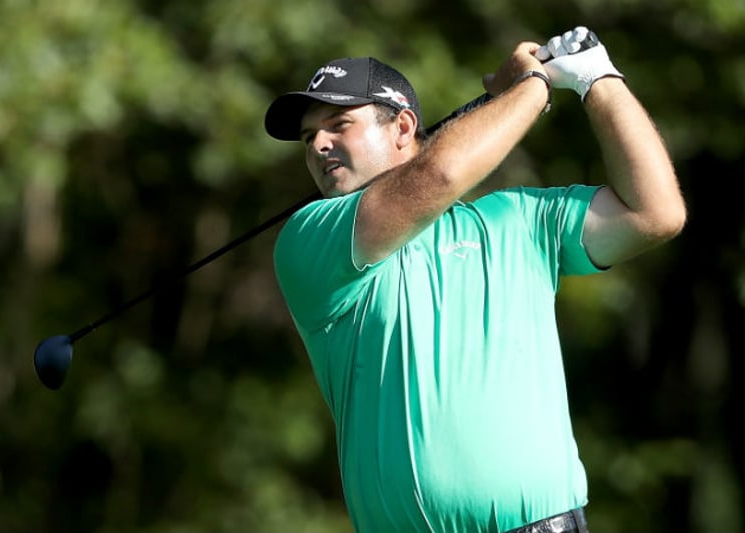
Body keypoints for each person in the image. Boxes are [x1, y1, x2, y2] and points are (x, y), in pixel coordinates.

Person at [263, 27, 685, 533]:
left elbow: (656, 212)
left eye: (338, 124)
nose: (320, 145)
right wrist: (534, 86)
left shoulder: (517, 220)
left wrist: (597, 78)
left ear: (402, 127)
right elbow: (436, 176)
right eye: (310, 138)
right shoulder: (311, 238)